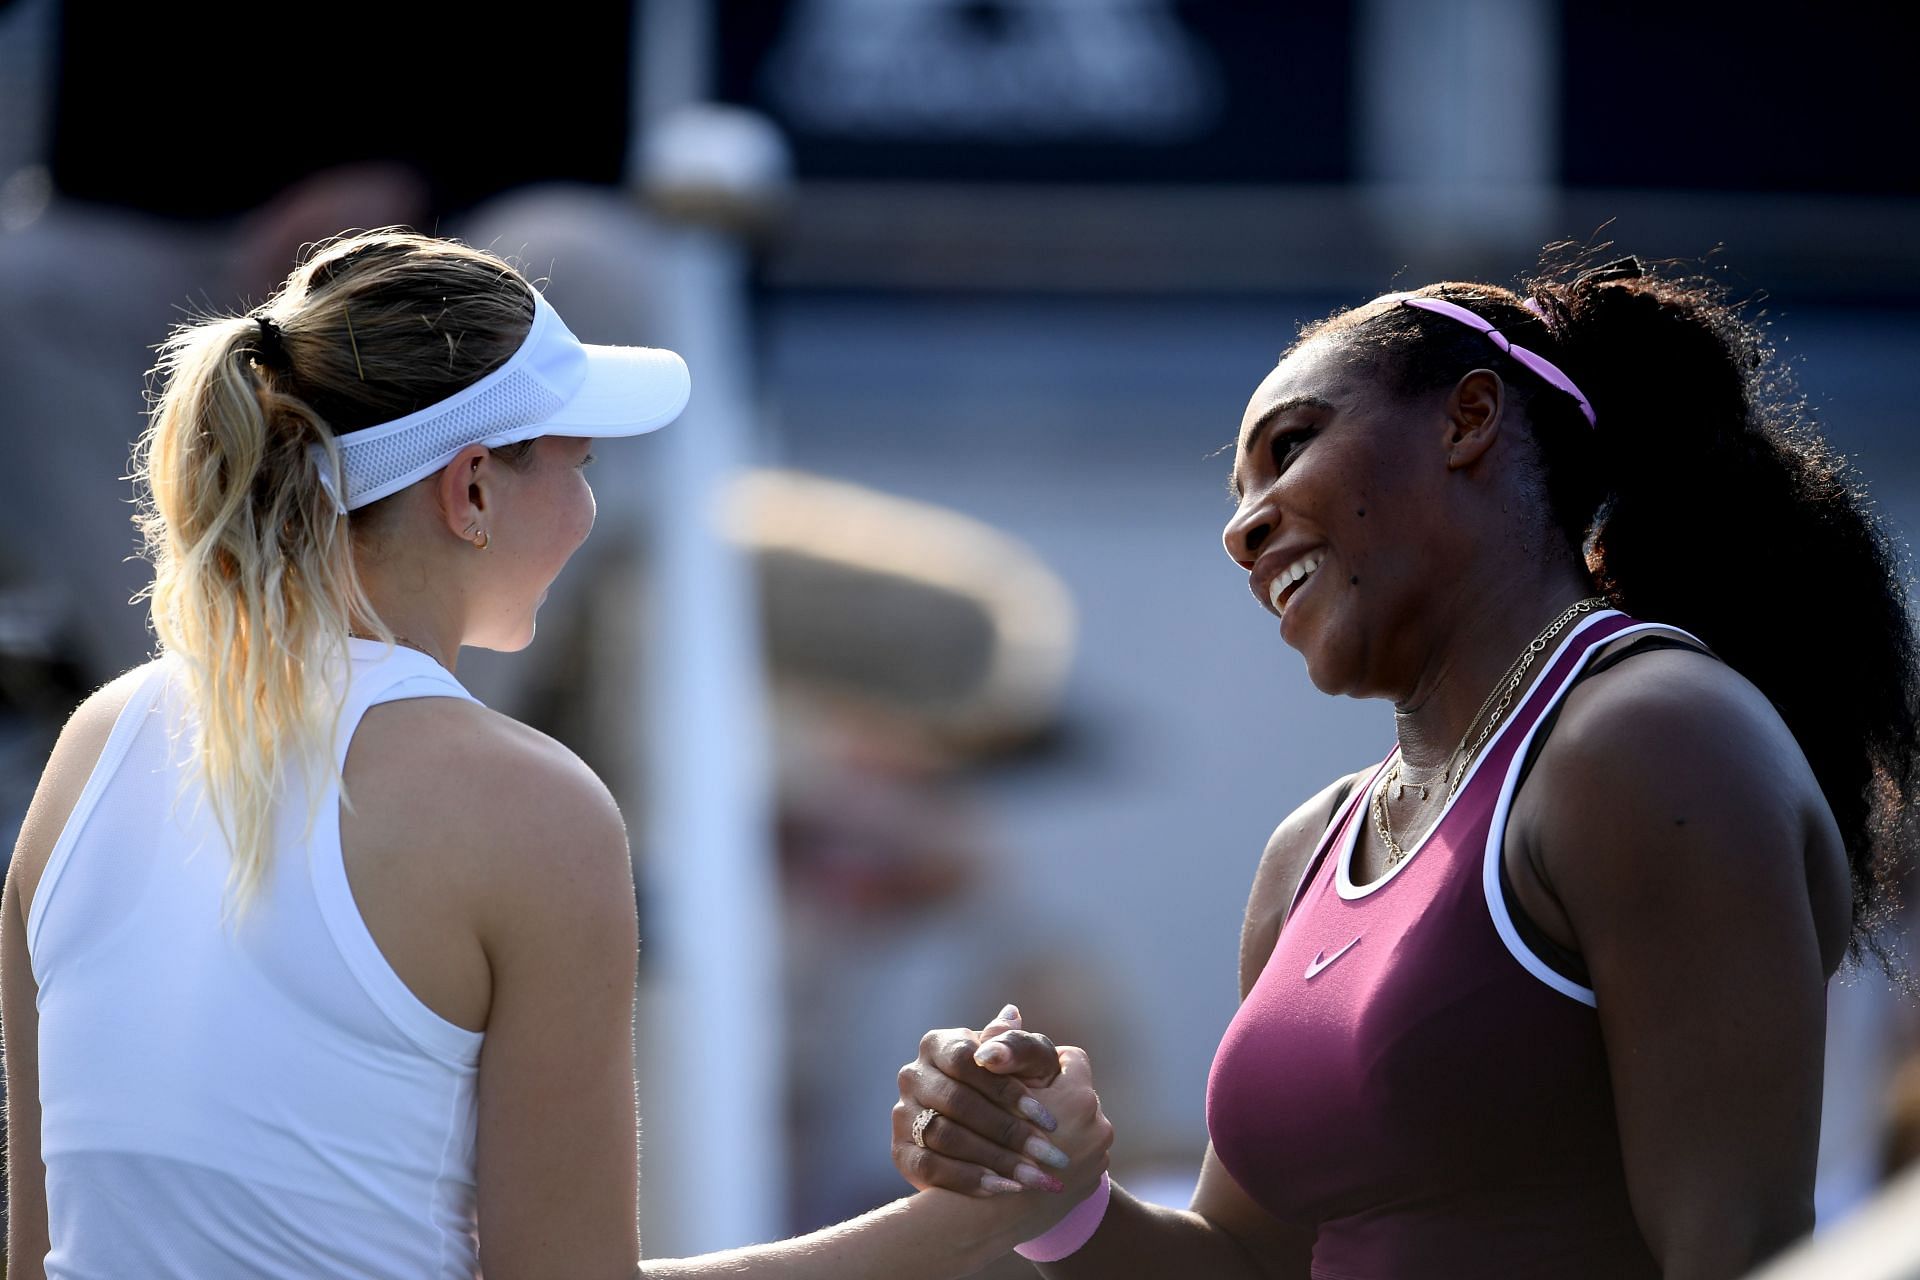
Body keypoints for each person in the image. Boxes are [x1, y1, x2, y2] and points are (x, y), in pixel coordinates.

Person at [0, 229, 1110, 1278]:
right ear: (473, 488)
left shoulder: (93, 744)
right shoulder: (531, 806)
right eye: (577, 464)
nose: (590, 509)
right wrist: (974, 1222)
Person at [890, 255, 1920, 1278]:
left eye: (1290, 447)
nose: (1241, 529)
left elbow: (1736, 1253)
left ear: (1468, 420)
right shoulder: (1309, 848)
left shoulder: (1650, 738)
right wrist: (1053, 1196)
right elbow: (1249, 1263)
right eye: (1238, 493)